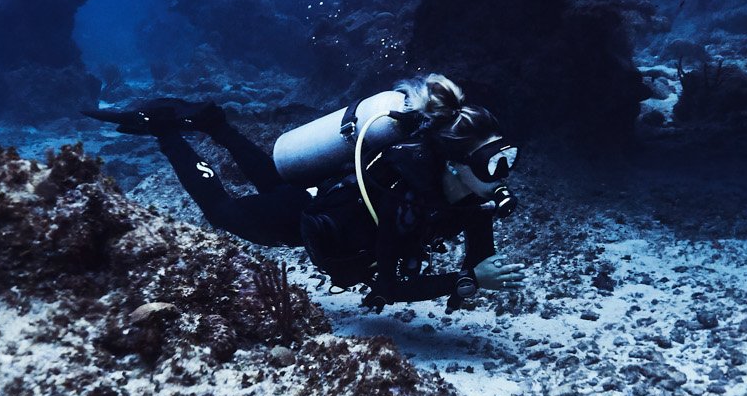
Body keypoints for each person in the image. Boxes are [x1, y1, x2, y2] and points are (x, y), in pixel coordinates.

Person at [89, 75, 527, 309]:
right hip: (301, 218)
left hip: (324, 191)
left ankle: (215, 123)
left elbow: (478, 251)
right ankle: (167, 133)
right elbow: (390, 287)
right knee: (222, 211)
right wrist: (467, 280)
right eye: (493, 163)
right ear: (453, 165)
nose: (503, 173)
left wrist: (472, 275)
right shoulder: (404, 195)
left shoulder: (470, 197)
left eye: (508, 158)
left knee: (277, 179)